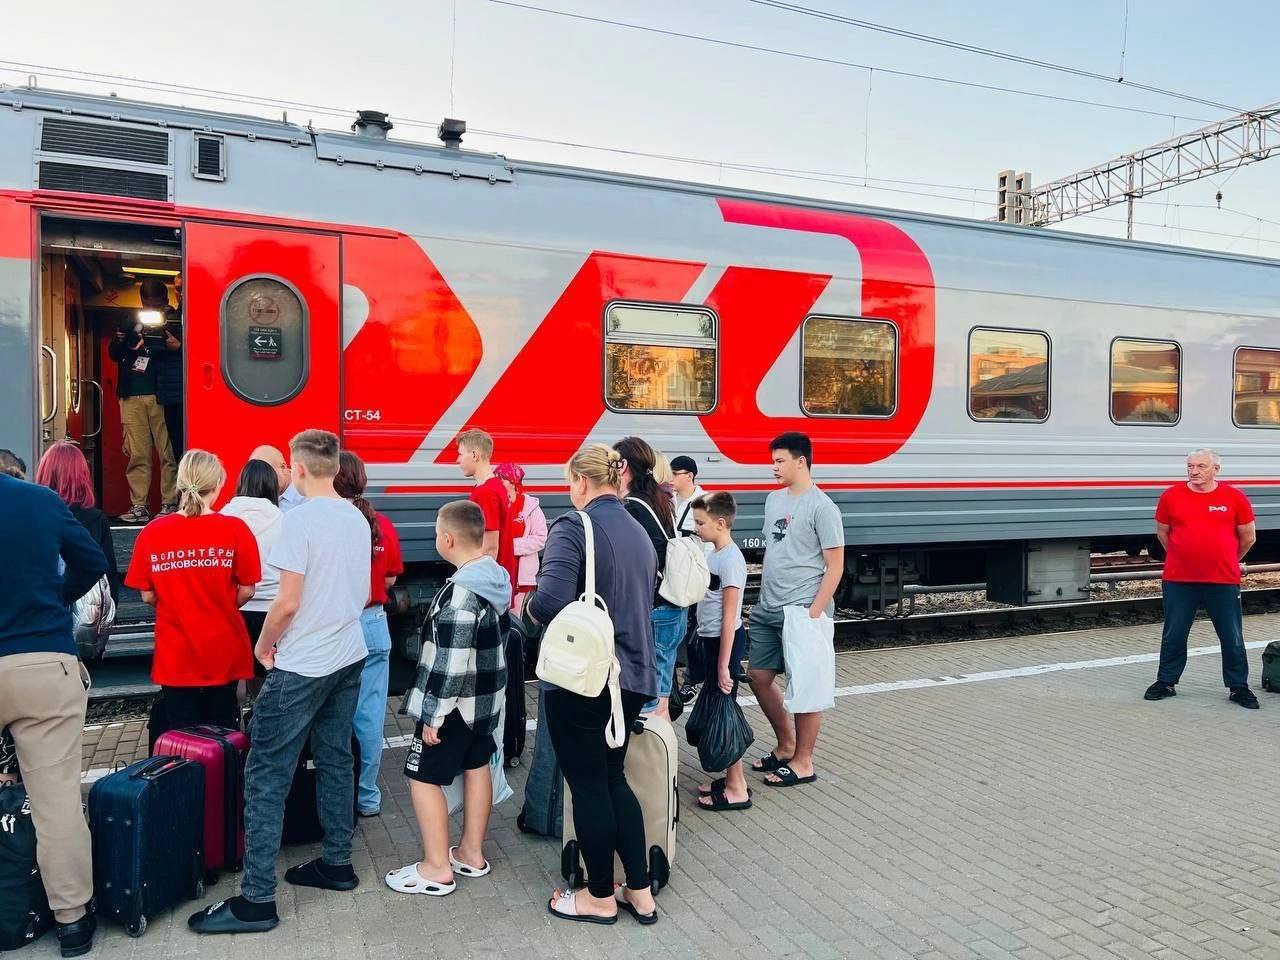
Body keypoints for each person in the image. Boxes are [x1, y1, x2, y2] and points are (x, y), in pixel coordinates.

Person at [189, 429, 371, 935]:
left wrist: (264, 645)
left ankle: (257, 900)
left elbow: (286, 602)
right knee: (336, 758)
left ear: (299, 466)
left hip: (304, 663)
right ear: (334, 466)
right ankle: (337, 863)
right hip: (348, 654)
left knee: (266, 773)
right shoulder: (355, 516)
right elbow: (355, 591)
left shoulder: (299, 521)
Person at [529, 443, 659, 925]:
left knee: (587, 786)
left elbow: (549, 601)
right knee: (612, 779)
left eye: (569, 482)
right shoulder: (638, 530)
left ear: (581, 482)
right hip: (634, 676)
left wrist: (525, 612)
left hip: (586, 681)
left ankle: (599, 897)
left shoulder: (573, 526)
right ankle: (639, 891)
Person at [0, 464, 108, 957]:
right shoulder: (40, 501)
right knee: (57, 802)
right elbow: (92, 561)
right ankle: (72, 924)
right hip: (43, 662)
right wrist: (52, 600)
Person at [387, 500, 509, 897]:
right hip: (484, 703)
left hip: (454, 705)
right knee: (477, 766)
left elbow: (450, 663)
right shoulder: (495, 579)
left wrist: (433, 715)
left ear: (448, 539)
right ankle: (471, 853)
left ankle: (437, 867)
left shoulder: (460, 595)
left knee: (421, 777)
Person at [125, 450, 261, 749]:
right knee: (223, 736)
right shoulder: (235, 529)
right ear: (218, 484)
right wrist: (221, 602)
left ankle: (183, 792)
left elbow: (147, 593)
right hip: (223, 649)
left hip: (176, 653)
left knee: (181, 740)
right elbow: (248, 589)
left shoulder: (153, 532)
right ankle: (223, 794)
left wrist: (177, 602)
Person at [748, 432, 844, 788]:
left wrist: (815, 612)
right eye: (773, 461)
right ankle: (786, 744)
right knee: (758, 677)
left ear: (800, 462)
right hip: (768, 607)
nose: (773, 468)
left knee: (805, 687)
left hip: (802, 609)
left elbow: (835, 566)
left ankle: (804, 761)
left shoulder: (823, 507)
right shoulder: (774, 500)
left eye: (779, 461)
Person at [1145, 448, 1259, 709]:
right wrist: (1182, 556)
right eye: (1190, 466)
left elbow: (1248, 537)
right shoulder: (1171, 496)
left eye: (1201, 466)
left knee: (1231, 635)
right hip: (1179, 579)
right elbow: (1164, 534)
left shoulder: (1234, 497)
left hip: (1222, 579)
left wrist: (1229, 559)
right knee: (1174, 633)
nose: (1194, 471)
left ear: (1216, 469)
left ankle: (1238, 686)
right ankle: (1166, 682)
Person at [334, 451, 404, 818]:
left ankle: (336, 795)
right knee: (370, 715)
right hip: (374, 623)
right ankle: (367, 797)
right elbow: (390, 579)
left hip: (338, 625)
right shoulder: (382, 524)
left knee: (333, 714)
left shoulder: (330, 523)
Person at [690, 491, 751, 812]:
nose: (697, 528)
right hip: (712, 642)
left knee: (726, 712)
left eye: (701, 523)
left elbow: (730, 618)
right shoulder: (714, 553)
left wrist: (725, 665)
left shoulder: (731, 560)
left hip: (724, 644)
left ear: (721, 523)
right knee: (719, 708)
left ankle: (737, 786)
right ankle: (729, 778)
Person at [615, 436, 684, 719]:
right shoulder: (657, 498)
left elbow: (643, 557)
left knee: (648, 702)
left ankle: (651, 761)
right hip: (672, 606)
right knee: (661, 697)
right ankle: (664, 760)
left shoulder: (631, 506)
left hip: (654, 607)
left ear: (623, 466)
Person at [109, 278, 178, 522]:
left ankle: (170, 502)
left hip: (161, 394)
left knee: (168, 452)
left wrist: (163, 339)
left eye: (156, 304)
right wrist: (123, 340)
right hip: (131, 394)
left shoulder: (175, 319)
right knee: (137, 453)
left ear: (166, 301)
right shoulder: (129, 320)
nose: (151, 309)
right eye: (147, 304)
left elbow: (178, 352)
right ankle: (139, 505)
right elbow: (114, 355)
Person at [221, 459, 283, 700]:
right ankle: (262, 723)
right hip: (272, 612)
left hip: (236, 607)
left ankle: (237, 729)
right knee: (266, 675)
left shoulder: (225, 516)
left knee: (236, 675)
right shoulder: (282, 518)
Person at [35, 440, 120, 606]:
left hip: (43, 605)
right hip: (86, 613)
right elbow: (108, 572)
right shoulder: (96, 518)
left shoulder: (33, 513)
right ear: (82, 474)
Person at [456, 429, 517, 597]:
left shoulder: (486, 492)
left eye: (461, 454)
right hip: (497, 583)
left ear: (474, 455)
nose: (457, 460)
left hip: (488, 588)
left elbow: (489, 548)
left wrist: (475, 590)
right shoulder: (494, 486)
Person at [495, 462, 547, 618]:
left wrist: (510, 546)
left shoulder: (530, 507)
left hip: (519, 574)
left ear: (513, 482)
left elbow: (540, 538)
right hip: (498, 571)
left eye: (501, 479)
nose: (498, 483)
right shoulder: (495, 503)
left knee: (512, 618)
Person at [154, 281, 184, 459]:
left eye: (181, 288)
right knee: (176, 452)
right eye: (176, 289)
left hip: (187, 395)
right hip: (169, 395)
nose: (178, 293)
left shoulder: (201, 312)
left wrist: (179, 348)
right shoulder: (169, 315)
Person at [249, 444, 304, 511]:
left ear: (283, 467)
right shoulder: (255, 498)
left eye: (265, 473)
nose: (261, 480)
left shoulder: (308, 493)